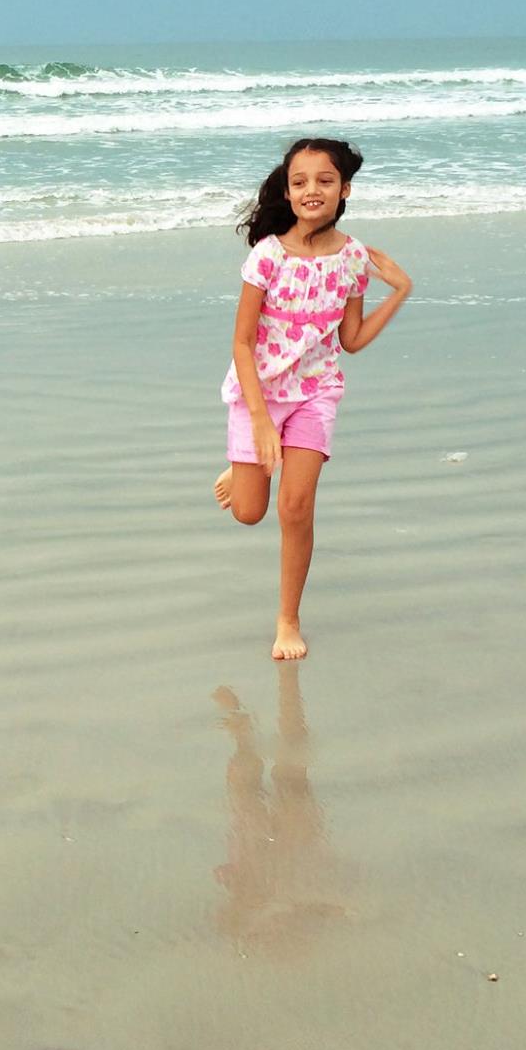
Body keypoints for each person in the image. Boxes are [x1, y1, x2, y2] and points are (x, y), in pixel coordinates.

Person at [212, 137, 411, 660]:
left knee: (295, 509)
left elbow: (350, 341)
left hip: (315, 394)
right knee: (250, 512)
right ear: (287, 190)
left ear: (344, 189)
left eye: (324, 181)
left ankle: (287, 620)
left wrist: (400, 291)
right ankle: (242, 466)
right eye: (299, 182)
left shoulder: (352, 258)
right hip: (260, 393)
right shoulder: (267, 256)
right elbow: (242, 342)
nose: (311, 191)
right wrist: (259, 420)